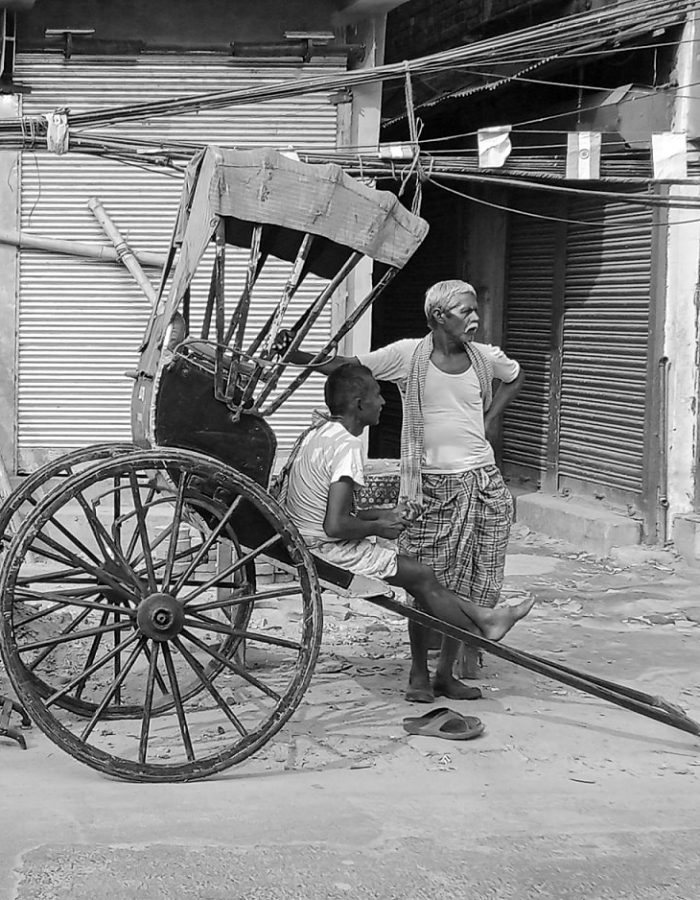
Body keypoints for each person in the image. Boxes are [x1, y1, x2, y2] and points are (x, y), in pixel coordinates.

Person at [277, 279, 524, 703]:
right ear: (439, 317)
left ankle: (447, 672)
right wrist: (295, 355)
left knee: (473, 582)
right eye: (466, 311)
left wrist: (488, 419)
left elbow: (516, 377)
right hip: (432, 483)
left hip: (483, 480)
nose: (476, 318)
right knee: (429, 578)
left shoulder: (484, 358)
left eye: (474, 309)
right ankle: (418, 673)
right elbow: (344, 367)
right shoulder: (408, 355)